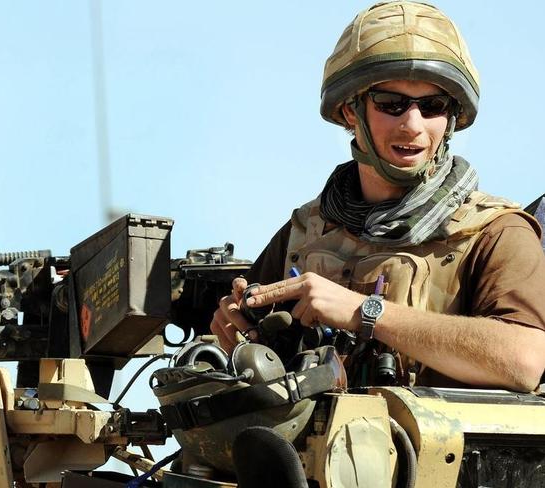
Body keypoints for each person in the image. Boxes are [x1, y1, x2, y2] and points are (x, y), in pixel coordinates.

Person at [210, 0, 545, 392]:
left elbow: (525, 360)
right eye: (391, 104)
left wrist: (366, 312)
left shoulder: (494, 232)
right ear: (351, 112)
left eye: (433, 106)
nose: (413, 125)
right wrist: (233, 332)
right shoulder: (304, 232)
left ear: (451, 117)